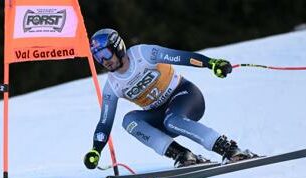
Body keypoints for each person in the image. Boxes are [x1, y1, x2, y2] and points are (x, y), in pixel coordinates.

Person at [84, 28, 258, 170]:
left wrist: (211, 63)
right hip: (159, 114)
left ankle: (230, 150)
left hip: (185, 96)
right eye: (98, 57)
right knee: (129, 121)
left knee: (172, 120)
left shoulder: (143, 54)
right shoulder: (112, 86)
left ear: (117, 47)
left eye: (105, 54)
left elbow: (182, 57)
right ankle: (183, 155)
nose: (104, 61)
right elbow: (105, 122)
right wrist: (96, 150)